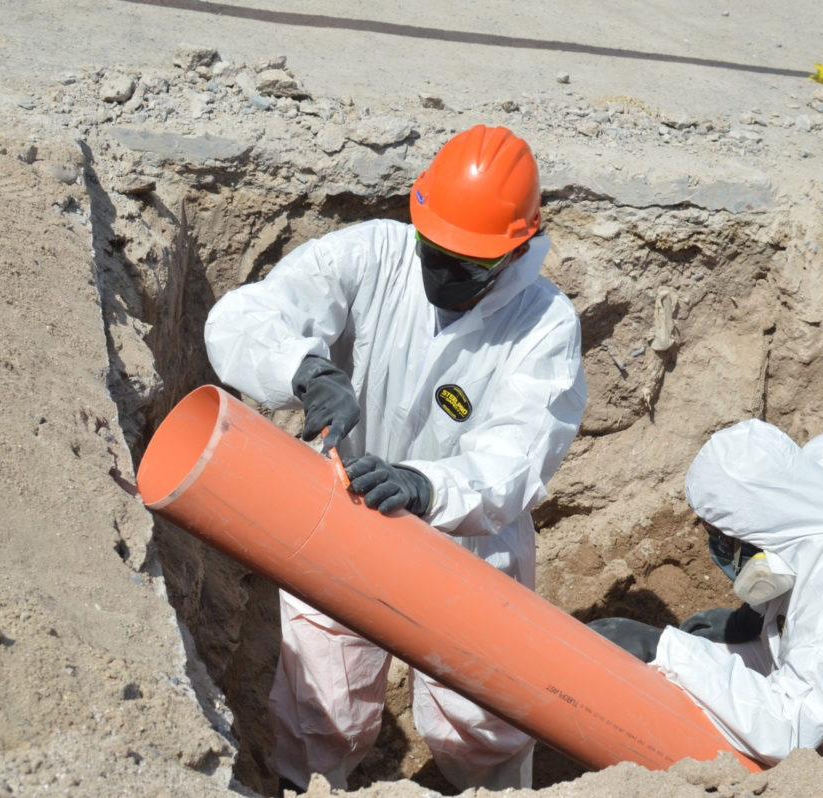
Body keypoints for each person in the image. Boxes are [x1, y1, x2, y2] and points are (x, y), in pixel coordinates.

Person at [204, 125, 587, 792]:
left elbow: (516, 460)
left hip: (470, 543)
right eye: (433, 252)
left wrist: (423, 485)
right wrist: (306, 371)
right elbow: (246, 318)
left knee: (481, 726)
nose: (439, 274)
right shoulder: (375, 256)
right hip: (341, 514)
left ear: (516, 248)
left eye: (465, 266)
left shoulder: (544, 326)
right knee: (323, 709)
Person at [589, 419, 823, 765]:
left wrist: (664, 648)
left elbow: (791, 728)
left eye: (721, 536)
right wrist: (757, 616)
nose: (715, 546)